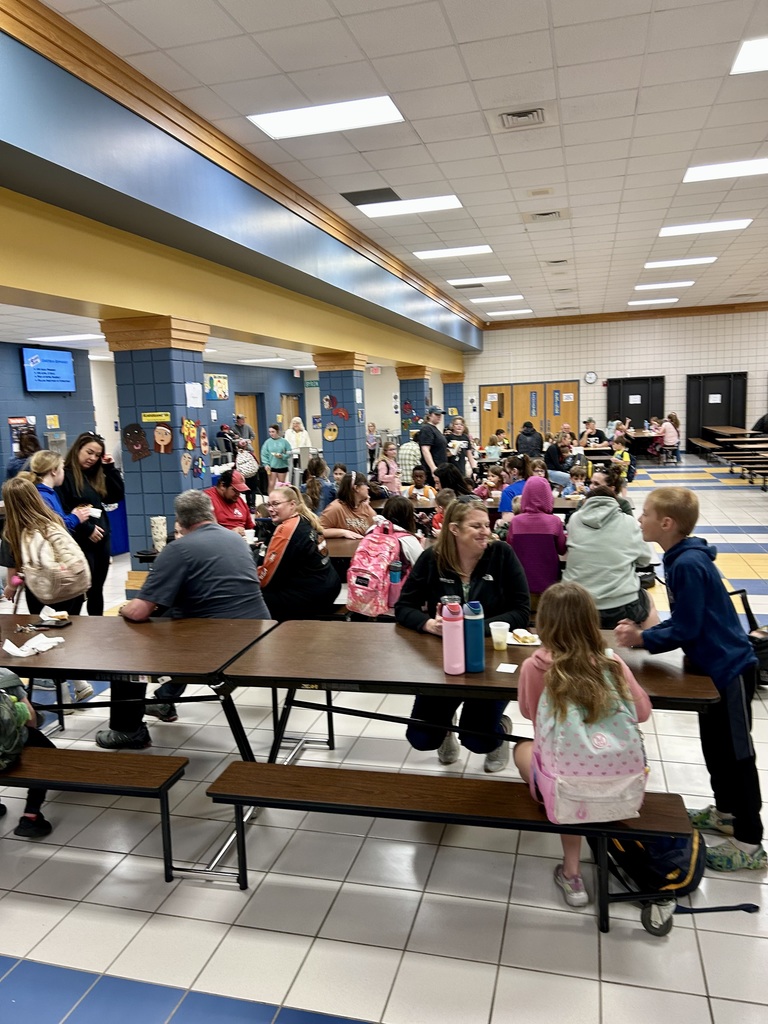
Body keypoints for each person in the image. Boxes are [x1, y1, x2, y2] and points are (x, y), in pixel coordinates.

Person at [615, 487, 765, 872]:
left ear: (667, 523)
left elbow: (687, 626)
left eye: (645, 513)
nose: (640, 518)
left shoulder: (687, 564)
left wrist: (643, 638)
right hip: (710, 671)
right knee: (715, 747)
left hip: (729, 670)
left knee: (737, 754)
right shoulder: (679, 558)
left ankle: (750, 841)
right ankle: (725, 812)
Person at [515, 582, 652, 906]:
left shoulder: (535, 665)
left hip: (567, 784)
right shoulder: (611, 663)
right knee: (580, 774)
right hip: (620, 780)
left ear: (544, 624)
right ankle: (598, 816)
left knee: (524, 749)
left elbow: (528, 713)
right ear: (592, 621)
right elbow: (642, 712)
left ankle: (572, 874)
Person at [101, 491, 271, 748]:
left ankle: (128, 730)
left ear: (179, 521)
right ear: (211, 513)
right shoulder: (236, 540)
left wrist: (123, 609)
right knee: (177, 630)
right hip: (258, 635)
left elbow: (138, 612)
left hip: (218, 647)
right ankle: (163, 701)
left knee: (129, 652)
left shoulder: (178, 549)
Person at [395, 497, 530, 772]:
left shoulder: (502, 554)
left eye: (487, 525)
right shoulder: (432, 558)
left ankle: (499, 728)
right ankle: (445, 727)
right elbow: (403, 607)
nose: (486, 531)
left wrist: (472, 628)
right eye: (476, 526)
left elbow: (521, 611)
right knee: (421, 737)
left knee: (478, 739)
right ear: (454, 529)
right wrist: (429, 625)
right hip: (442, 661)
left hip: (491, 659)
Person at [563, 486, 659, 629]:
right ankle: (647, 645)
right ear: (615, 502)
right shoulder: (629, 521)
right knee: (648, 601)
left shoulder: (575, 519)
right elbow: (644, 560)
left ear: (587, 502)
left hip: (576, 602)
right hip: (621, 605)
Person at [57, 431, 124, 617]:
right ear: (78, 449)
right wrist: (87, 529)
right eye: (89, 452)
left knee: (97, 589)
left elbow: (116, 494)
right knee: (79, 590)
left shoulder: (94, 475)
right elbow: (63, 510)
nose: (92, 458)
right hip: (80, 540)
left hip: (101, 540)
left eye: (97, 455)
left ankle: (97, 628)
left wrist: (110, 468)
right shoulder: (65, 475)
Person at [258, 486, 340, 621]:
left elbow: (266, 578)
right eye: (269, 505)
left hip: (316, 595)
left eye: (276, 504)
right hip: (330, 585)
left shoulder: (287, 530)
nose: (271, 509)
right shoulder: (304, 519)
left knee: (254, 596)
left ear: (292, 504)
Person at [0, 673, 58, 837]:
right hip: (6, 753)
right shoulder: (5, 676)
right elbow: (30, 717)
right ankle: (31, 817)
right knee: (48, 757)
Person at [506, 475, 566, 605]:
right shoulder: (554, 522)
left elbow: (510, 548)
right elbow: (562, 549)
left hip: (522, 585)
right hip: (550, 587)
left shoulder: (515, 522)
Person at [320, 472, 375, 539]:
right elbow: (319, 531)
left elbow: (376, 529)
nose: (368, 488)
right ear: (356, 488)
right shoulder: (336, 508)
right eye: (365, 484)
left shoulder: (366, 508)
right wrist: (343, 532)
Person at [204, 468, 255, 534]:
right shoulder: (206, 499)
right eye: (235, 490)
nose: (238, 494)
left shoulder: (240, 501)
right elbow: (206, 532)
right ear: (223, 486)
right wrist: (230, 533)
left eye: (239, 491)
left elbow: (250, 528)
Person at [379, 496, 424, 567]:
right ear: (408, 517)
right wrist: (422, 548)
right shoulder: (409, 541)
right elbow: (422, 566)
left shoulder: (372, 530)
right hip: (396, 577)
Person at [416, 406, 447, 487]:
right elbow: (425, 450)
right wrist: (433, 468)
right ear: (429, 415)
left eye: (440, 414)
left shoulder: (435, 429)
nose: (439, 416)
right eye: (436, 414)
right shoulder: (427, 429)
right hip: (432, 470)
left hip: (440, 468)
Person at [498, 455, 532, 524]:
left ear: (514, 471)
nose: (501, 473)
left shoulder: (508, 492)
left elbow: (507, 522)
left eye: (504, 470)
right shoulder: (536, 486)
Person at [260, 424, 292, 491]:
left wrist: (283, 456)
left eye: (273, 432)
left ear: (277, 431)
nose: (271, 433)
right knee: (271, 484)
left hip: (282, 465)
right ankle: (270, 499)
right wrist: (266, 464)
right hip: (272, 466)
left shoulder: (284, 442)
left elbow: (289, 453)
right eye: (270, 432)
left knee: (282, 485)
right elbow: (264, 454)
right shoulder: (267, 442)